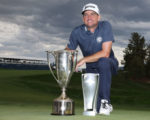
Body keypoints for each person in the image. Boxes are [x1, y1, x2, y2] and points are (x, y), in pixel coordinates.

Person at [65, 3, 118, 115]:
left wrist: (83, 60)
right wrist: (67, 60)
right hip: (91, 67)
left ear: (98, 17)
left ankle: (105, 102)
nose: (89, 17)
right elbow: (69, 50)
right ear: (83, 18)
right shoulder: (77, 31)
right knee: (96, 109)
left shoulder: (105, 26)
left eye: (93, 14)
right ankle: (104, 105)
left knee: (103, 61)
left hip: (109, 64)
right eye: (86, 14)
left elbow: (106, 53)